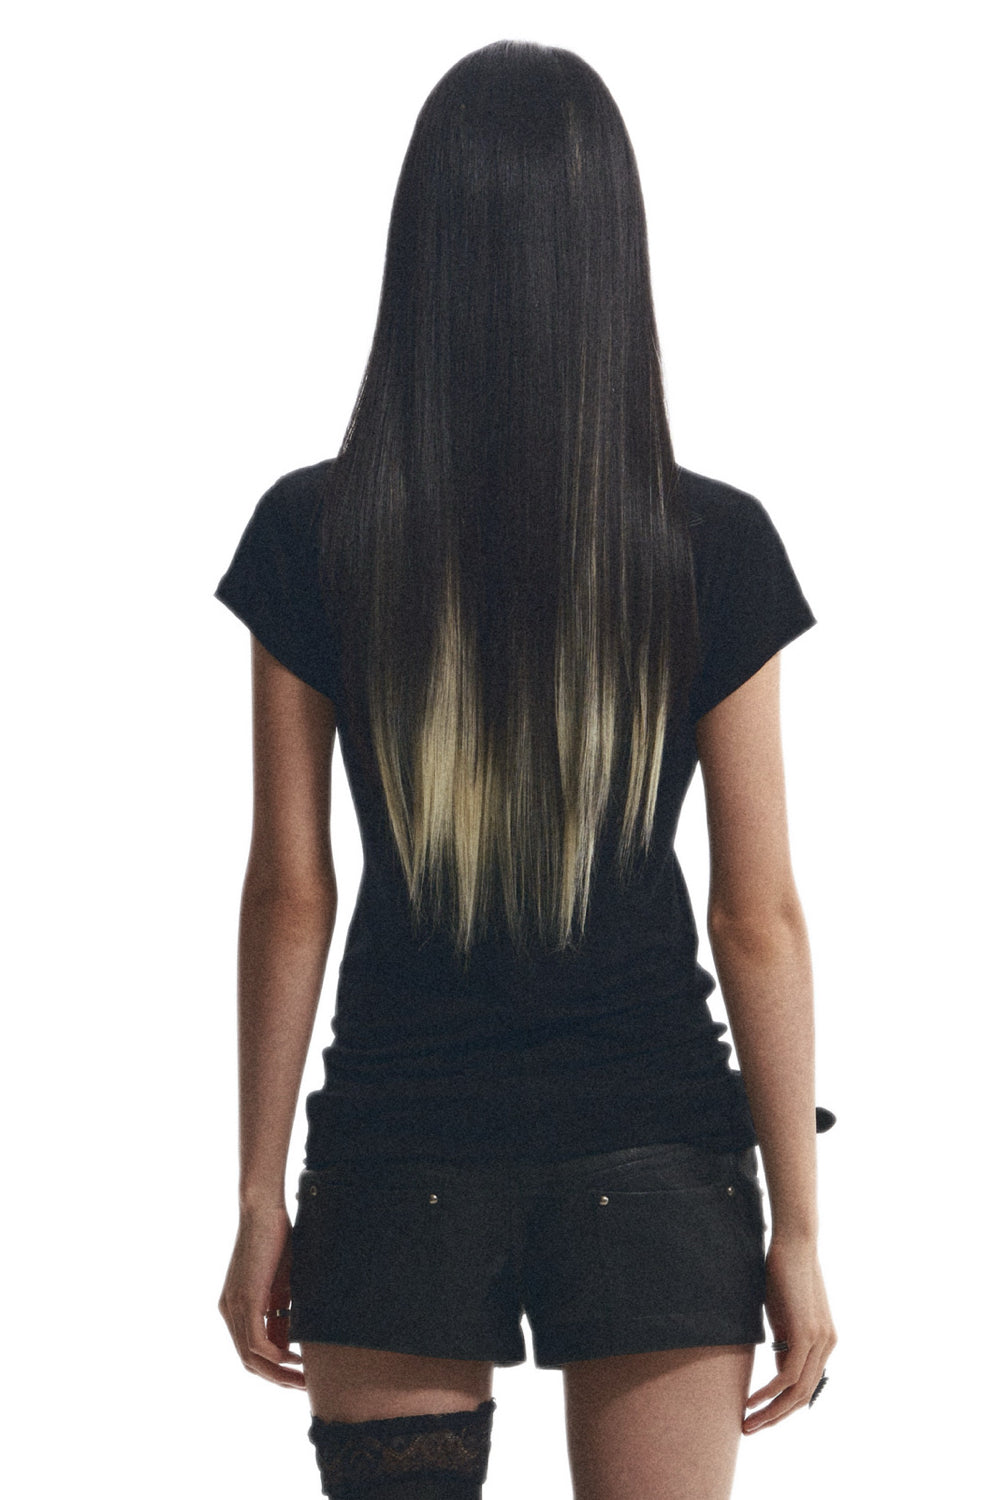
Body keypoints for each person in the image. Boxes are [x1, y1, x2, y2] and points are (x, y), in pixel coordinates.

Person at [214, 39, 837, 1500]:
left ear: (421, 257)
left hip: (397, 1150)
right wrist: (800, 1231)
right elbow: (755, 915)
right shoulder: (708, 546)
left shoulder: (317, 534)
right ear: (613, 261)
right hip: (656, 1154)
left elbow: (291, 891)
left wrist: (256, 1194)